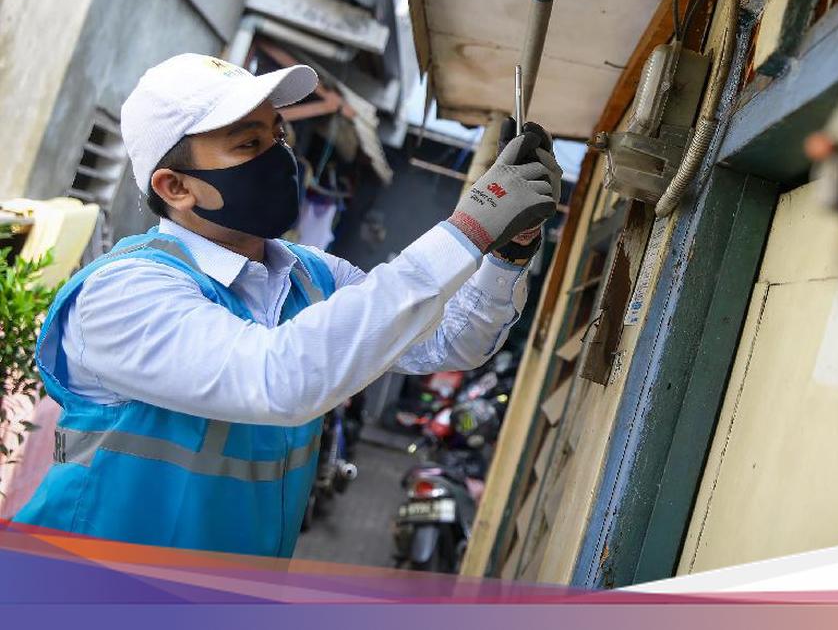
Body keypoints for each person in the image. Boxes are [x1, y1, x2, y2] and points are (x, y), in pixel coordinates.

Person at [13, 54, 561, 558]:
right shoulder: (122, 294)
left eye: (277, 135)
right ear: (175, 187)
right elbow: (276, 379)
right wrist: (469, 228)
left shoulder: (311, 275)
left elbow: (449, 340)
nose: (278, 156)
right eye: (248, 144)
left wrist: (506, 250)